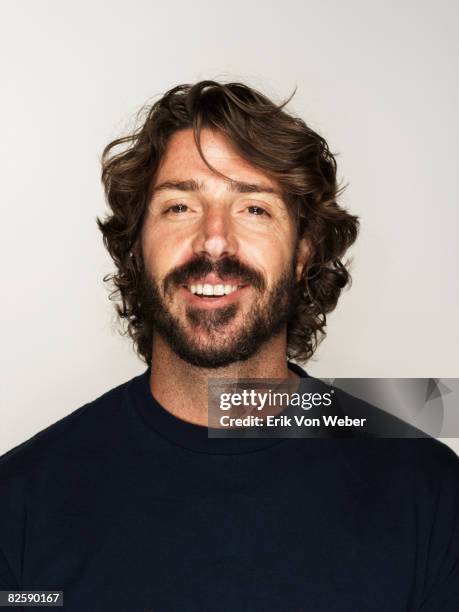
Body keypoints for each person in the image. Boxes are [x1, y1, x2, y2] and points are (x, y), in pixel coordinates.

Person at [0, 81, 457, 611]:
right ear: (136, 247)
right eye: (179, 207)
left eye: (254, 209)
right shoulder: (21, 505)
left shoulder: (429, 496)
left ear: (304, 250)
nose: (214, 240)